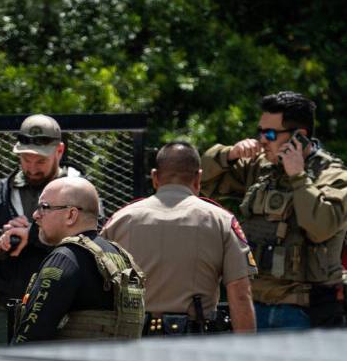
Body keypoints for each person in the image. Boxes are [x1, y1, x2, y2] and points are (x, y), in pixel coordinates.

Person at [201, 91, 347, 330]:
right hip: (250, 306)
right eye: (260, 132)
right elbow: (201, 182)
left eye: (269, 134)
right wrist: (229, 154)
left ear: (299, 137)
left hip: (301, 311)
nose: (262, 140)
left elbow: (321, 228)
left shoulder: (332, 176)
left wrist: (298, 178)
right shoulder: (260, 167)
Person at [102, 142, 257, 335]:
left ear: (155, 177)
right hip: (194, 343)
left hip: (132, 340)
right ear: (198, 178)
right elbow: (240, 295)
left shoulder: (121, 220)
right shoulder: (221, 221)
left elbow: (99, 288)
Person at [0, 114, 85, 343]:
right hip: (3, 313)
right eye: (25, 159)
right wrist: (1, 238)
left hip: (60, 313)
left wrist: (33, 235)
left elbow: (89, 243)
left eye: (40, 161)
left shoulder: (80, 192)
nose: (32, 168)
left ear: (59, 151)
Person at [11, 177, 145, 343]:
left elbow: (31, 337)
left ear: (71, 215)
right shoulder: (121, 256)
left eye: (44, 207)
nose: (35, 215)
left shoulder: (65, 258)